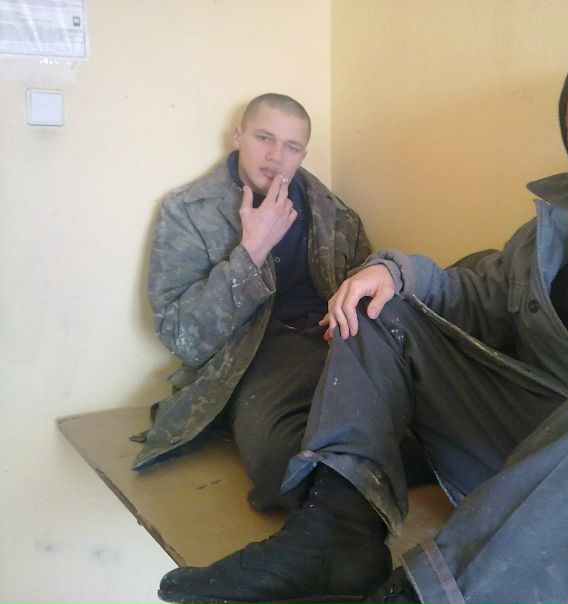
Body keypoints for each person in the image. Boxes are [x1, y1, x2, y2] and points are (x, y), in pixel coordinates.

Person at [157, 40, 568, 604]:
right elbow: (468, 291)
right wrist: (394, 272)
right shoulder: (547, 238)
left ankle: (439, 591)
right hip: (527, 460)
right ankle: (337, 537)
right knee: (382, 301)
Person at [133, 93, 430, 511]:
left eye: (291, 146)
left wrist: (352, 314)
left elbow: (364, 292)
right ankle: (363, 467)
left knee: (435, 413)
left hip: (335, 345)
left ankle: (366, 460)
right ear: (238, 136)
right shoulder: (188, 212)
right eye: (264, 138)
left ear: (303, 154)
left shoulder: (334, 213)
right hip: (251, 359)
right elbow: (183, 337)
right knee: (284, 467)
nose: (275, 156)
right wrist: (251, 252)